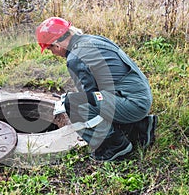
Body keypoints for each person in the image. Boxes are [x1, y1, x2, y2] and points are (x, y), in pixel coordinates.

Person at [35, 17, 158, 161]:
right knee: (91, 100)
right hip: (140, 96)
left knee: (74, 103)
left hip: (132, 103)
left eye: (50, 49)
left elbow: (89, 97)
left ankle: (114, 147)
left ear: (57, 45)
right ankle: (139, 128)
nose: (53, 53)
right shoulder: (93, 40)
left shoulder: (74, 57)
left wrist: (67, 104)